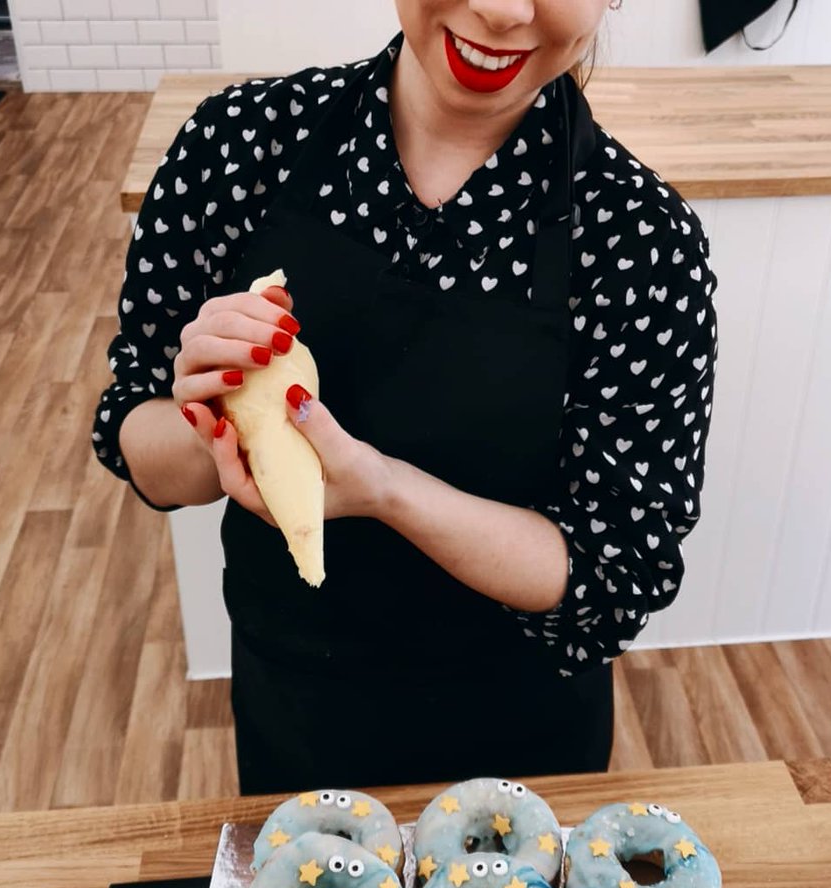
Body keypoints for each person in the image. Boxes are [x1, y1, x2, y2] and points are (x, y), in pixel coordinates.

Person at [93, 1, 718, 795]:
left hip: (523, 746)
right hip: (297, 713)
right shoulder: (239, 146)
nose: (500, 9)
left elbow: (611, 570)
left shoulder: (642, 244)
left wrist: (384, 491)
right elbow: (136, 441)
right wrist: (210, 426)